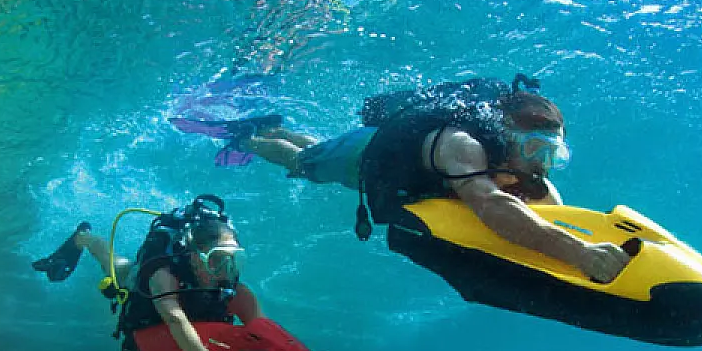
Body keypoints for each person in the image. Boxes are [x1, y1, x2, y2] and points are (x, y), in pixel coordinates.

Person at [223, 75, 631, 284]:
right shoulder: (462, 146)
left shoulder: (511, 157)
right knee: (304, 164)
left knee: (317, 148)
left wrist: (569, 229)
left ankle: (276, 128)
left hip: (380, 150)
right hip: (362, 156)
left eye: (553, 154)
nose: (542, 163)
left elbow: (547, 200)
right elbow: (491, 203)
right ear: (506, 136)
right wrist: (579, 253)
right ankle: (251, 137)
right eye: (535, 150)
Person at [32, 195, 260, 351]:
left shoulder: (230, 283)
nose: (226, 270)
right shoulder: (163, 275)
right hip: (141, 285)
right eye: (216, 260)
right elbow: (174, 317)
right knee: (114, 264)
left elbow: (261, 325)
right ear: (194, 257)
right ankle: (84, 237)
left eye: (235, 260)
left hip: (187, 301)